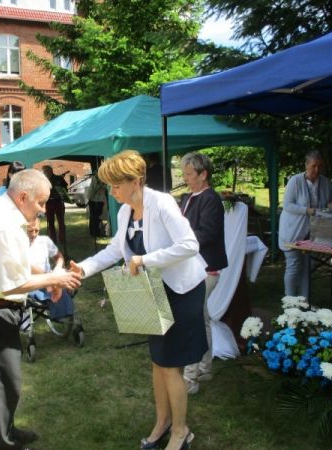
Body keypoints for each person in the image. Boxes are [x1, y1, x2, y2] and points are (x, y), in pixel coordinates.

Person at [69, 150, 207, 450]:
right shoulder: (124, 211)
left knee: (171, 366)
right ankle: (163, 423)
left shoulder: (163, 203)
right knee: (158, 363)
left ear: (136, 181)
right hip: (153, 290)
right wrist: (83, 268)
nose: (112, 191)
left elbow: (189, 245)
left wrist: (145, 259)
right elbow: (116, 251)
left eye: (117, 185)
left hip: (182, 290)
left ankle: (181, 432)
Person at [0, 169, 81, 450]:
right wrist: (56, 278)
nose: (42, 211)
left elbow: (16, 263)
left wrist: (48, 276)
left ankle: (8, 431)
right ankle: (2, 443)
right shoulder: (1, 223)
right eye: (40, 203)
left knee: (8, 382)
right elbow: (11, 284)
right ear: (24, 196)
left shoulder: (6, 214)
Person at [179, 152, 228, 394]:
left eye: (189, 174)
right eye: (184, 173)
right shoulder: (189, 197)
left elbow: (206, 234)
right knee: (202, 317)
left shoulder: (211, 199)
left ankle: (190, 378)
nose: (185, 178)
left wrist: (179, 243)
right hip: (192, 268)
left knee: (191, 320)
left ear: (203, 174)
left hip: (207, 268)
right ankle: (205, 368)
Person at [279, 151, 332, 299]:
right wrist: (307, 210)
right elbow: (287, 205)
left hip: (313, 232)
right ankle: (290, 303)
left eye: (320, 166)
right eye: (313, 166)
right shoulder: (295, 181)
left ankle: (305, 302)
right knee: (293, 266)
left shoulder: (325, 182)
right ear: (306, 165)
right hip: (292, 230)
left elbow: (331, 201)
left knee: (307, 268)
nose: (317, 170)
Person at [26, 217, 75, 320]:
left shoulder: (44, 241)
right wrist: (51, 278)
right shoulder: (18, 244)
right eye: (30, 231)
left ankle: (64, 310)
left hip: (49, 278)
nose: (34, 234)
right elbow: (27, 266)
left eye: (37, 230)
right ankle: (61, 310)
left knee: (66, 280)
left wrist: (57, 268)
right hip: (31, 282)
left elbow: (59, 257)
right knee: (58, 285)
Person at [42, 165, 68, 251]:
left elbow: (65, 188)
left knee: (61, 221)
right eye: (44, 171)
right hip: (49, 203)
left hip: (58, 202)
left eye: (47, 170)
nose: (46, 172)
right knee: (50, 222)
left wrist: (62, 192)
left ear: (51, 170)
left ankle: (62, 239)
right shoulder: (43, 181)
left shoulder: (58, 178)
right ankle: (53, 240)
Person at [86, 170, 107, 238]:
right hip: (95, 200)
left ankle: (94, 232)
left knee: (94, 217)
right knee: (95, 217)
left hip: (97, 199)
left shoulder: (98, 178)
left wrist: (89, 197)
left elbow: (92, 189)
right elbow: (92, 189)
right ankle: (95, 232)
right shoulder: (96, 178)